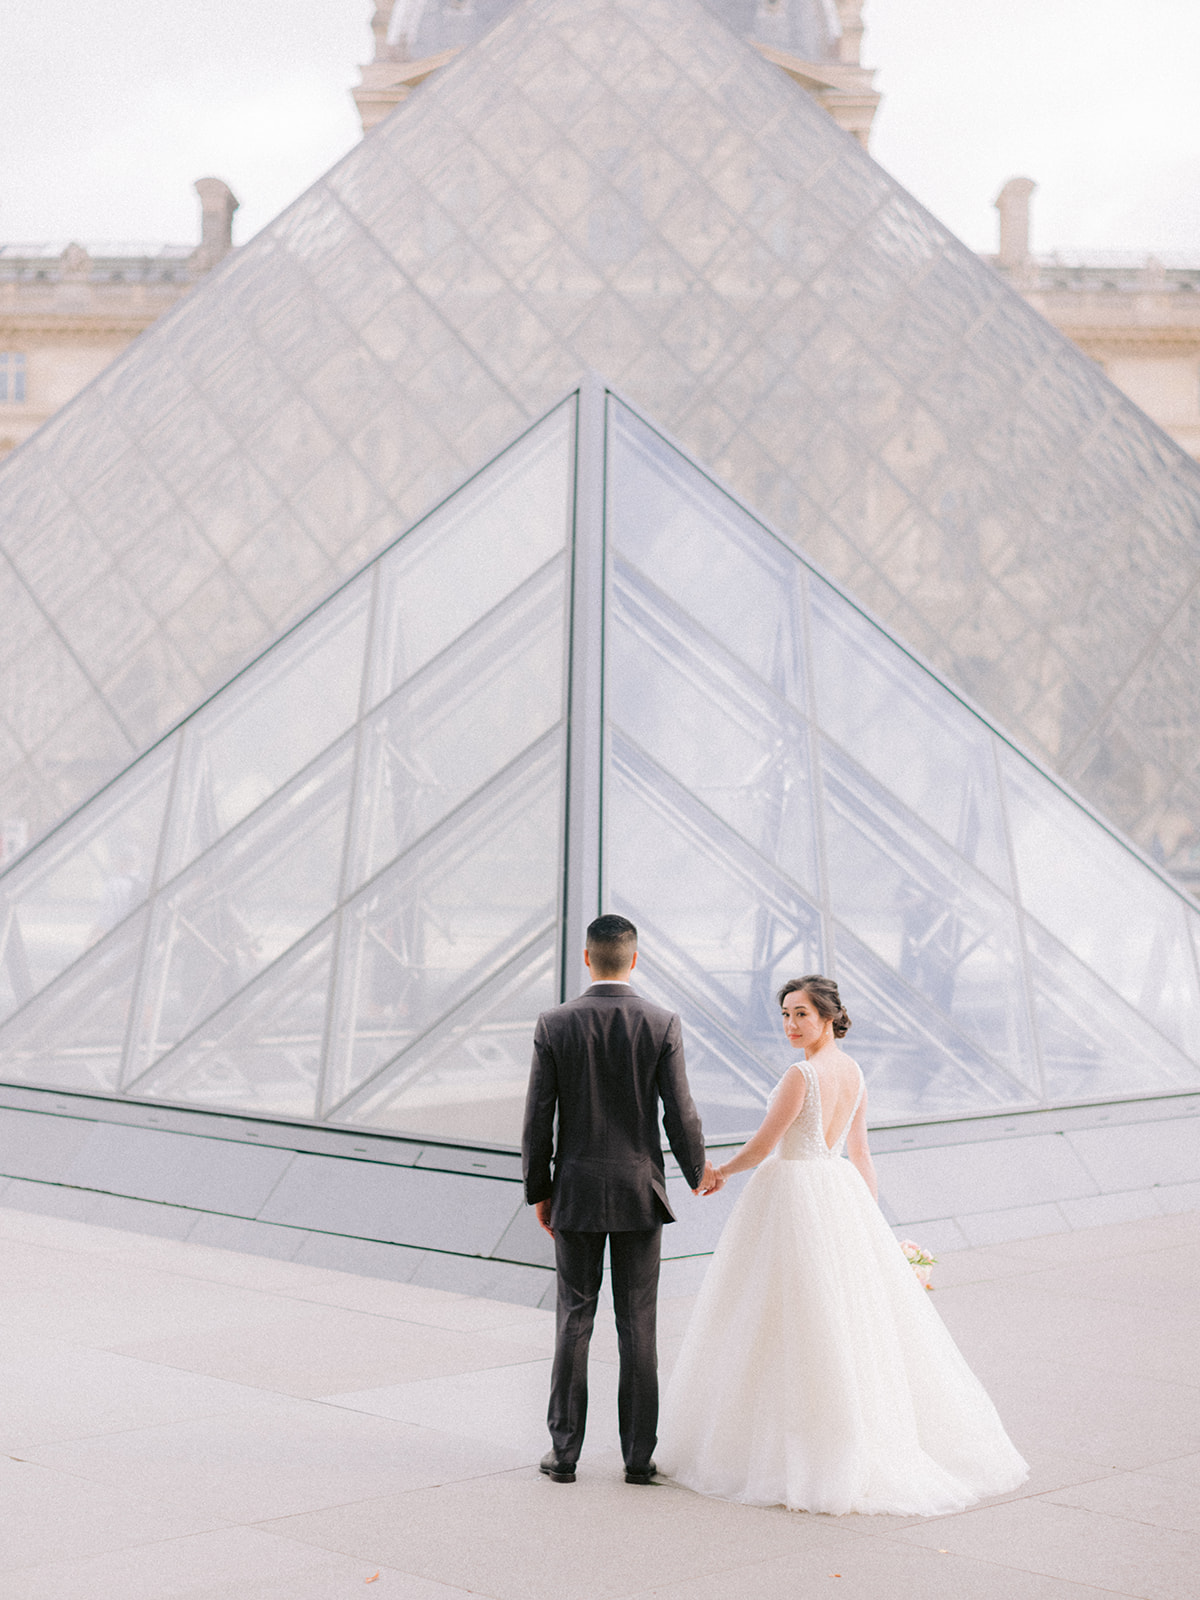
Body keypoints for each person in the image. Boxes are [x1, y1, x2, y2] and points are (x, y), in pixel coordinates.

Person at [656, 974, 1029, 1516]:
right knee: (837, 1323)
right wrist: (867, 1220)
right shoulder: (853, 1072)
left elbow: (765, 1143)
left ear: (828, 1016)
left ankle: (799, 1453)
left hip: (792, 1192)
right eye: (785, 1014)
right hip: (836, 1193)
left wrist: (722, 1172)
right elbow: (860, 1155)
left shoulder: (801, 1074)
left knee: (785, 1318)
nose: (790, 1024)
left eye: (801, 1014)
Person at [522, 914, 715, 1486]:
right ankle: (637, 1458)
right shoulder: (661, 1022)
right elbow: (679, 1112)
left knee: (573, 1321)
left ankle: (564, 1454)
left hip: (576, 1192)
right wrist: (698, 1170)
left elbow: (538, 1118)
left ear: (588, 958)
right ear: (634, 959)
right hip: (638, 1194)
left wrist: (540, 1190)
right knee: (639, 1323)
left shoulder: (555, 1023)